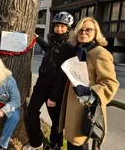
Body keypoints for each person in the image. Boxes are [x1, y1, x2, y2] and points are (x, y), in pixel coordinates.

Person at [59, 17, 119, 150]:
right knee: (72, 144)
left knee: (79, 143)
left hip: (87, 109)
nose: (83, 32)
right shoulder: (79, 50)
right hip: (73, 106)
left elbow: (110, 83)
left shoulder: (100, 53)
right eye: (80, 30)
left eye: (88, 30)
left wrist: (89, 91)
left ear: (96, 32)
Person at [22, 11, 75, 150]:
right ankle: (36, 142)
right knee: (32, 111)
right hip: (41, 85)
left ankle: (55, 145)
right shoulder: (54, 41)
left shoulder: (69, 46)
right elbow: (49, 50)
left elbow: (64, 74)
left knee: (56, 120)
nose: (59, 29)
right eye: (57, 26)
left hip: (54, 89)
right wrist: (38, 39)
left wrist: (54, 96)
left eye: (63, 27)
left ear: (68, 28)